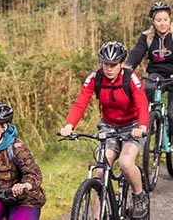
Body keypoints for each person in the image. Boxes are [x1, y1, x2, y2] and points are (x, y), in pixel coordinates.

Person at [59, 42, 150, 219]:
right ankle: (97, 216)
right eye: (105, 64)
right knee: (101, 171)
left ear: (122, 64)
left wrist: (142, 127)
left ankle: (139, 196)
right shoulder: (95, 78)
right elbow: (81, 102)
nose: (108, 69)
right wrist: (69, 126)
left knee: (125, 162)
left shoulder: (131, 78)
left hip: (132, 127)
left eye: (113, 65)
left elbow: (142, 103)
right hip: (108, 127)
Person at [125, 1, 173, 172]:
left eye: (165, 19)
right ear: (153, 22)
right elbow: (136, 54)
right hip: (157, 75)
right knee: (147, 88)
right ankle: (152, 120)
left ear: (170, 19)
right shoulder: (147, 37)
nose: (162, 23)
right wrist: (127, 69)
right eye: (158, 20)